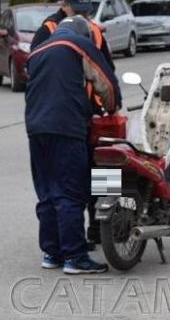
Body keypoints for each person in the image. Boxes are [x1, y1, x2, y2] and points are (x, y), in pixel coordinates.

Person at [25, 15, 121, 274]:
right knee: (70, 192)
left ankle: (52, 252)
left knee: (47, 193)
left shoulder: (37, 52)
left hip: (36, 129)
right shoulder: (78, 44)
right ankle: (75, 257)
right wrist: (112, 107)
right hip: (67, 129)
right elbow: (106, 83)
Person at [30, 0, 115, 71]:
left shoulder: (95, 31)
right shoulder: (49, 29)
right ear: (64, 6)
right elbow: (34, 66)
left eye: (85, 11)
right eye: (77, 11)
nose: (81, 16)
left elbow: (109, 70)